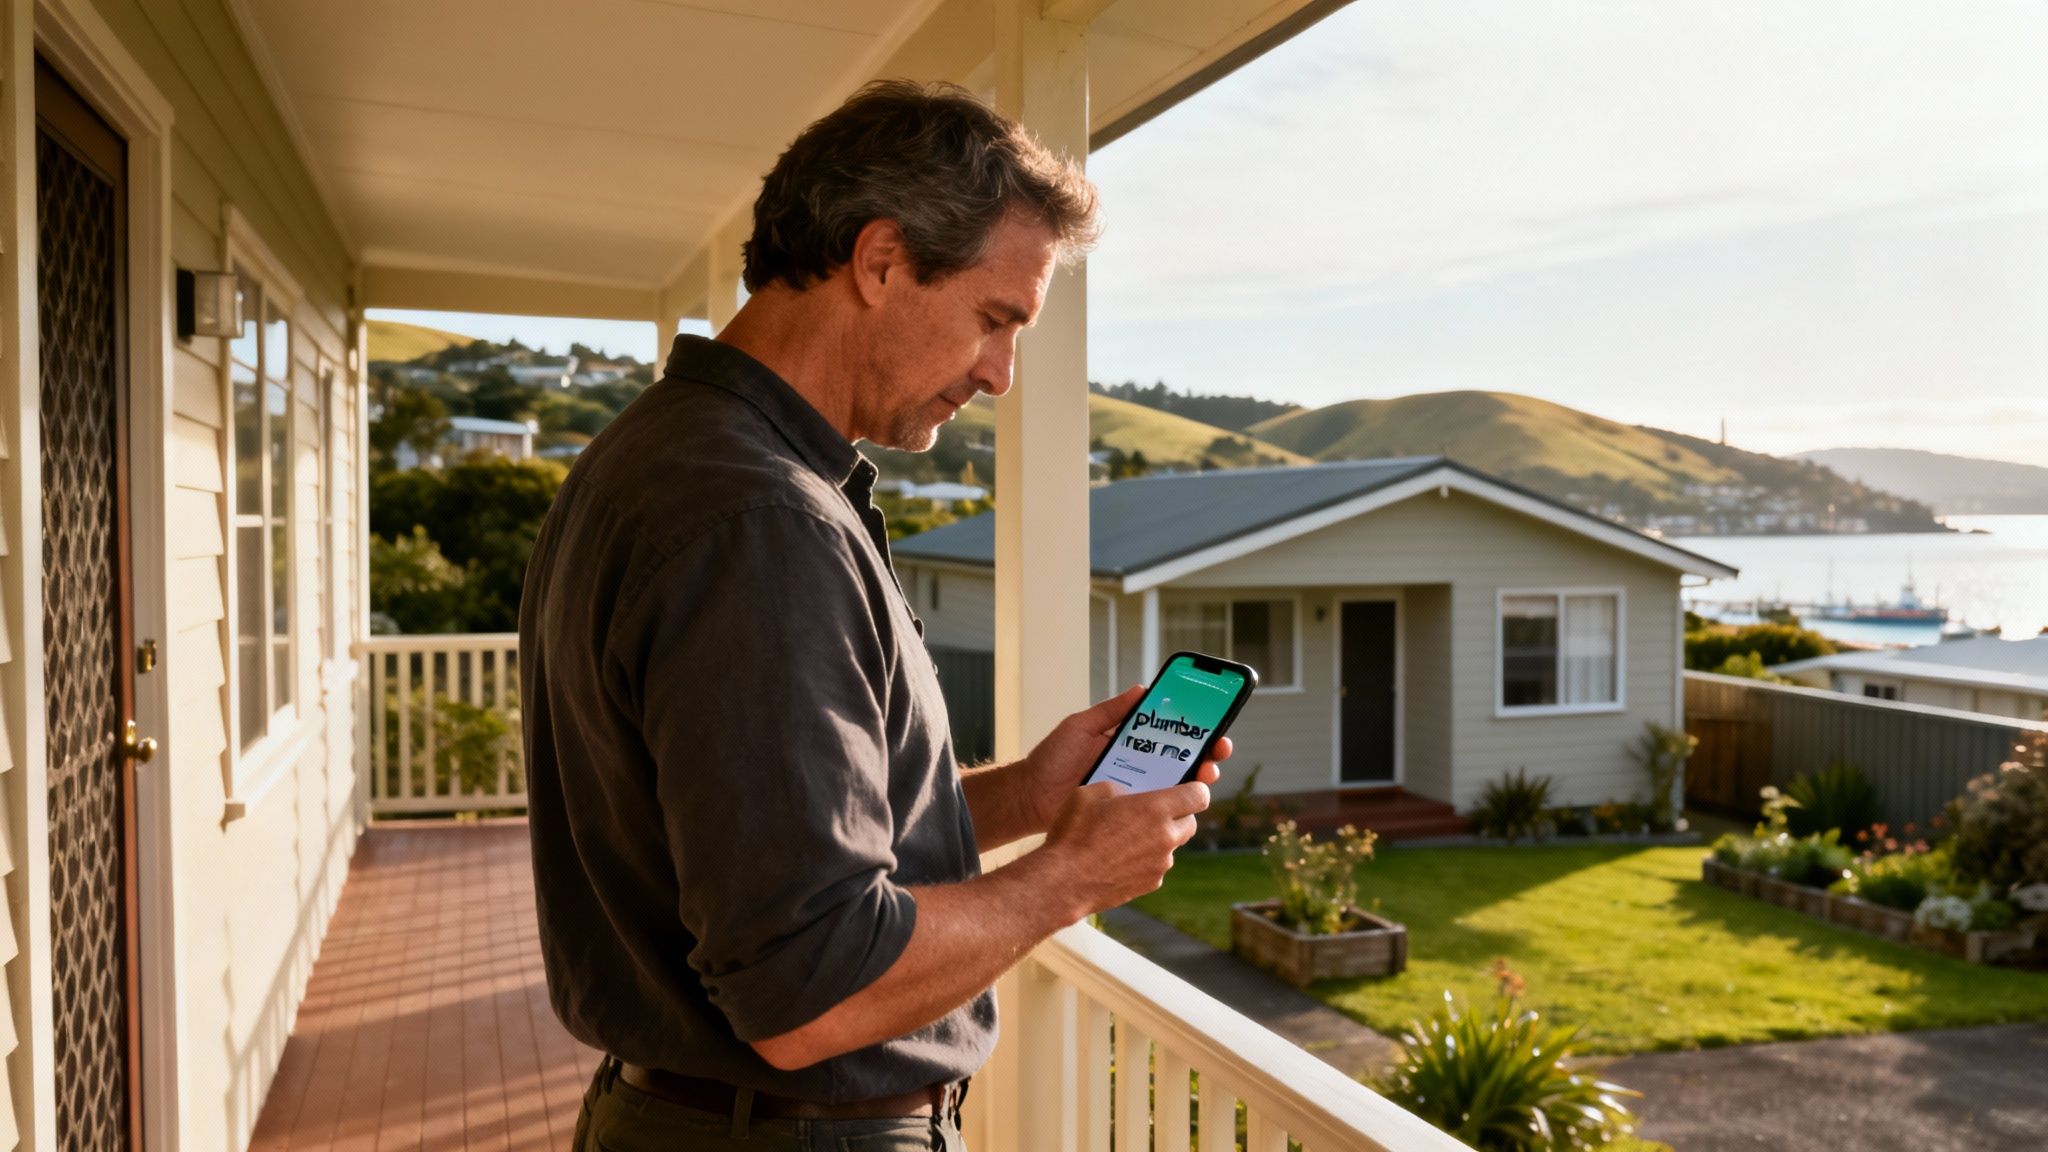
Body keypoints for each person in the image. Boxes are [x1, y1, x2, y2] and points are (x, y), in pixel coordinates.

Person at [519, 79, 1226, 1151]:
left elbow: (759, 840)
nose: (999, 374)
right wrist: (1069, 876)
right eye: (994, 319)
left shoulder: (660, 454)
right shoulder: (759, 521)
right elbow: (810, 989)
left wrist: (1025, 797)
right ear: (881, 260)